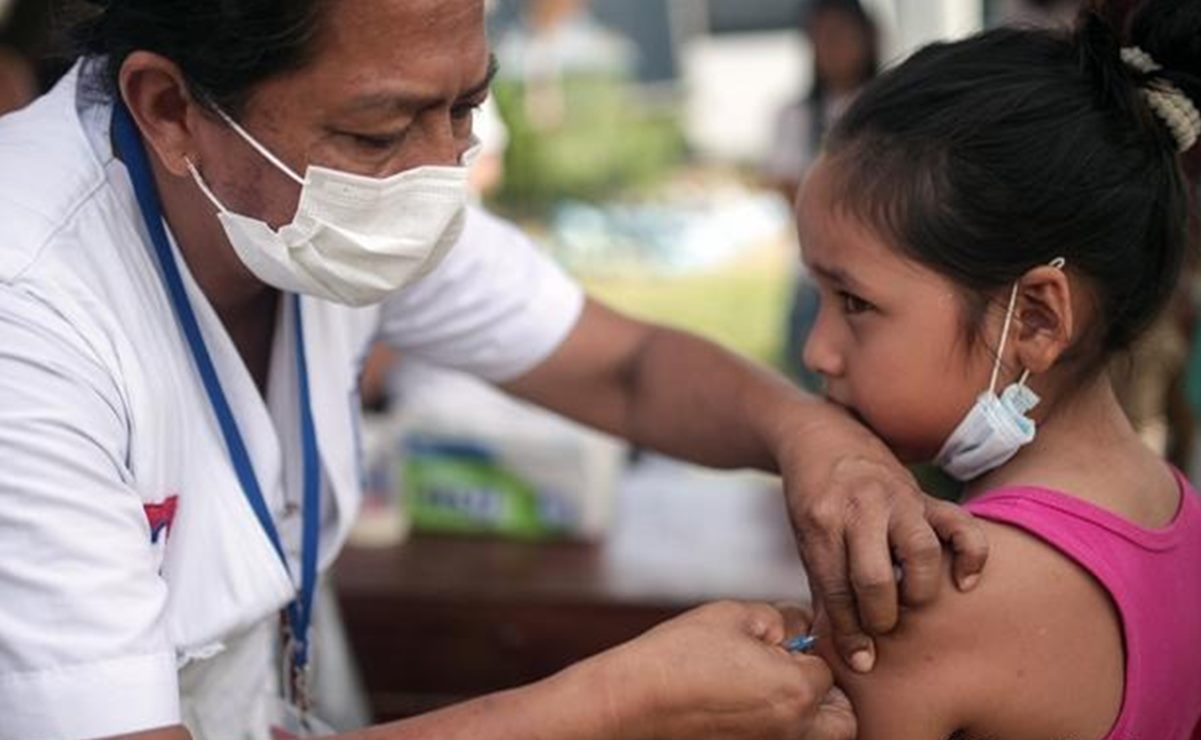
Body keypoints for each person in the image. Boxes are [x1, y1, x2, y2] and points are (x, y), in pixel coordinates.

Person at [0, 1, 991, 738]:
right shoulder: (28, 305)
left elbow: (627, 365)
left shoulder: (334, 203)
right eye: (380, 132)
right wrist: (616, 701)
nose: (440, 172)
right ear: (171, 109)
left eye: (468, 106)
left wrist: (809, 436)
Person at [793, 0, 1201, 737]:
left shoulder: (925, 600)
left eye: (852, 302)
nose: (815, 351)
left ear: (1036, 319)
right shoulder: (1173, 508)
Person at [764, 0, 879, 389]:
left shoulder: (890, 109)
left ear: (868, 37)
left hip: (879, 275)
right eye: (821, 38)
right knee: (816, 385)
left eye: (841, 36)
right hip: (814, 279)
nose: (832, 48)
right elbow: (789, 191)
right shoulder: (795, 116)